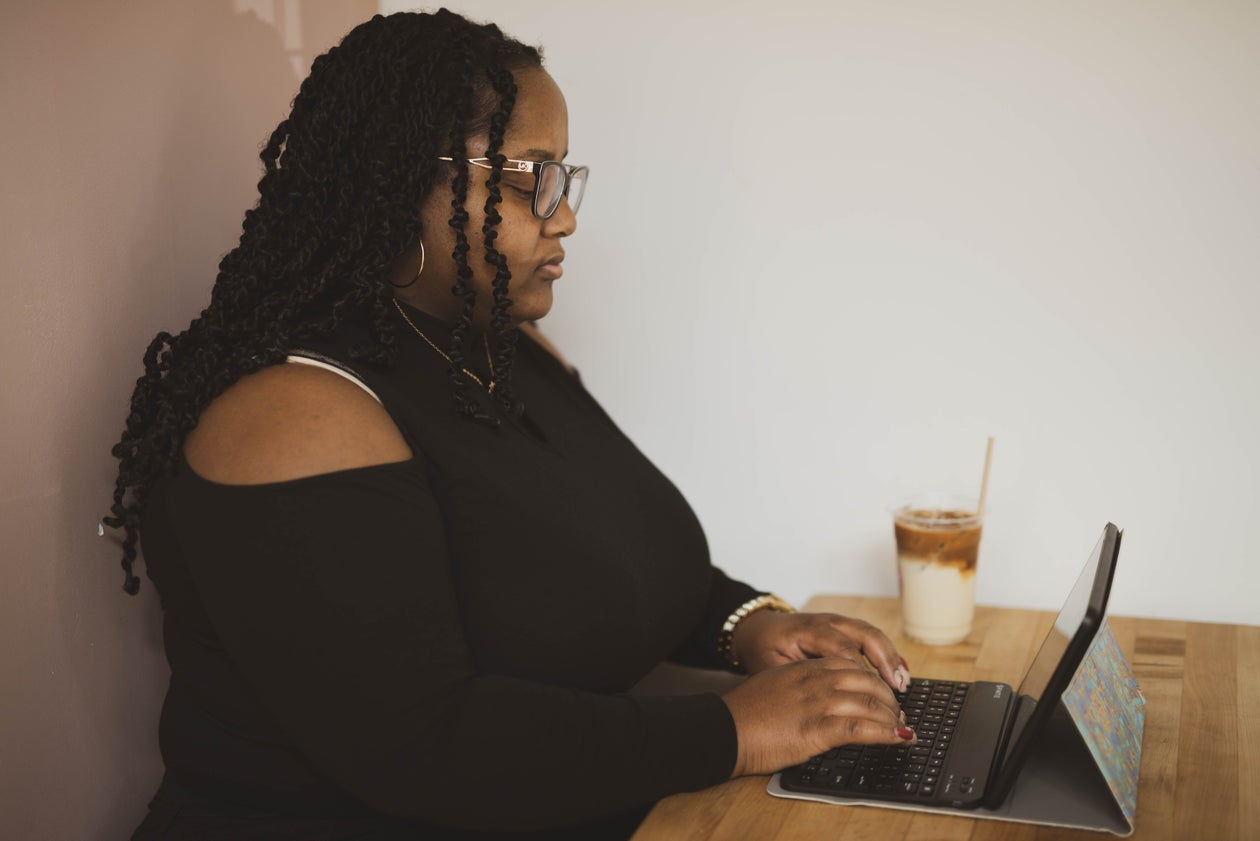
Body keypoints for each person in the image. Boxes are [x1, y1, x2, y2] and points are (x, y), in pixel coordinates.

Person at [107, 10, 915, 840]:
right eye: (534, 176)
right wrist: (735, 728)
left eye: (568, 178)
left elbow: (626, 564)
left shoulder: (507, 352)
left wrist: (751, 625)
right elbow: (422, 744)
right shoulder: (292, 411)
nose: (564, 217)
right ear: (400, 182)